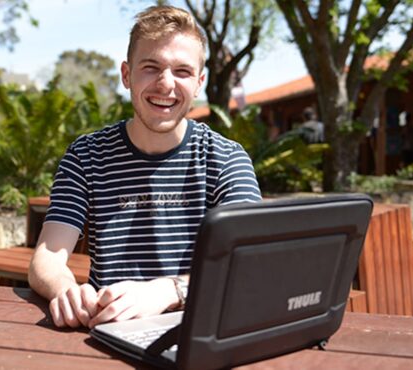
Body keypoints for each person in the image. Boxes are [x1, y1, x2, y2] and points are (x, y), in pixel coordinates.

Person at [28, 5, 262, 329]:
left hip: (199, 328)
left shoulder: (225, 159)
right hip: (105, 328)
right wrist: (65, 290)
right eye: (151, 67)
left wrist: (169, 291)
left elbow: (249, 262)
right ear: (127, 75)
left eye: (182, 71)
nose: (165, 84)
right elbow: (48, 256)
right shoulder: (86, 155)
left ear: (199, 83)